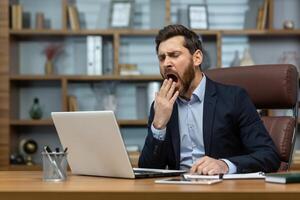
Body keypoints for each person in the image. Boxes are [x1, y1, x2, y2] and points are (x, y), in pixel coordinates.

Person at [138, 24, 280, 175]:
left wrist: (225, 165)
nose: (166, 63)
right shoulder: (161, 107)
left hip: (222, 190)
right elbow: (147, 171)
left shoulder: (234, 98)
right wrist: (158, 125)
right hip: (177, 190)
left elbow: (269, 155)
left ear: (197, 58)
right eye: (162, 58)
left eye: (174, 55)